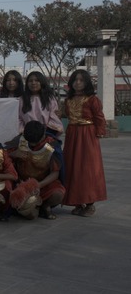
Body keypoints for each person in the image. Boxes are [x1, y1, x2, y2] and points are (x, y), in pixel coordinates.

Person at [62, 70, 106, 217]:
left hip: (87, 135)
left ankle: (90, 203)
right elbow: (65, 115)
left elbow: (99, 117)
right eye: (75, 80)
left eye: (81, 80)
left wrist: (99, 132)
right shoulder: (68, 100)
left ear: (87, 82)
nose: (78, 82)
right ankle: (77, 202)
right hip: (72, 134)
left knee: (87, 168)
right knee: (72, 167)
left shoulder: (92, 99)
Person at [9, 121, 65, 220]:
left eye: (36, 142)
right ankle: (33, 208)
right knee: (31, 215)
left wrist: (39, 185)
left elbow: (55, 173)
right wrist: (13, 154)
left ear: (43, 134)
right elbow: (3, 158)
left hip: (43, 183)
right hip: (22, 183)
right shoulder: (19, 140)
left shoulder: (52, 146)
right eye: (30, 142)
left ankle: (45, 206)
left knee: (58, 194)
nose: (32, 145)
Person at [19, 71, 63, 136]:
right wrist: (24, 131)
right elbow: (19, 118)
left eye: (36, 80)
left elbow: (54, 117)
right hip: (27, 135)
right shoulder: (22, 99)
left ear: (42, 82)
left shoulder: (50, 99)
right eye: (30, 81)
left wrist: (44, 132)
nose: (33, 83)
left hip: (46, 133)